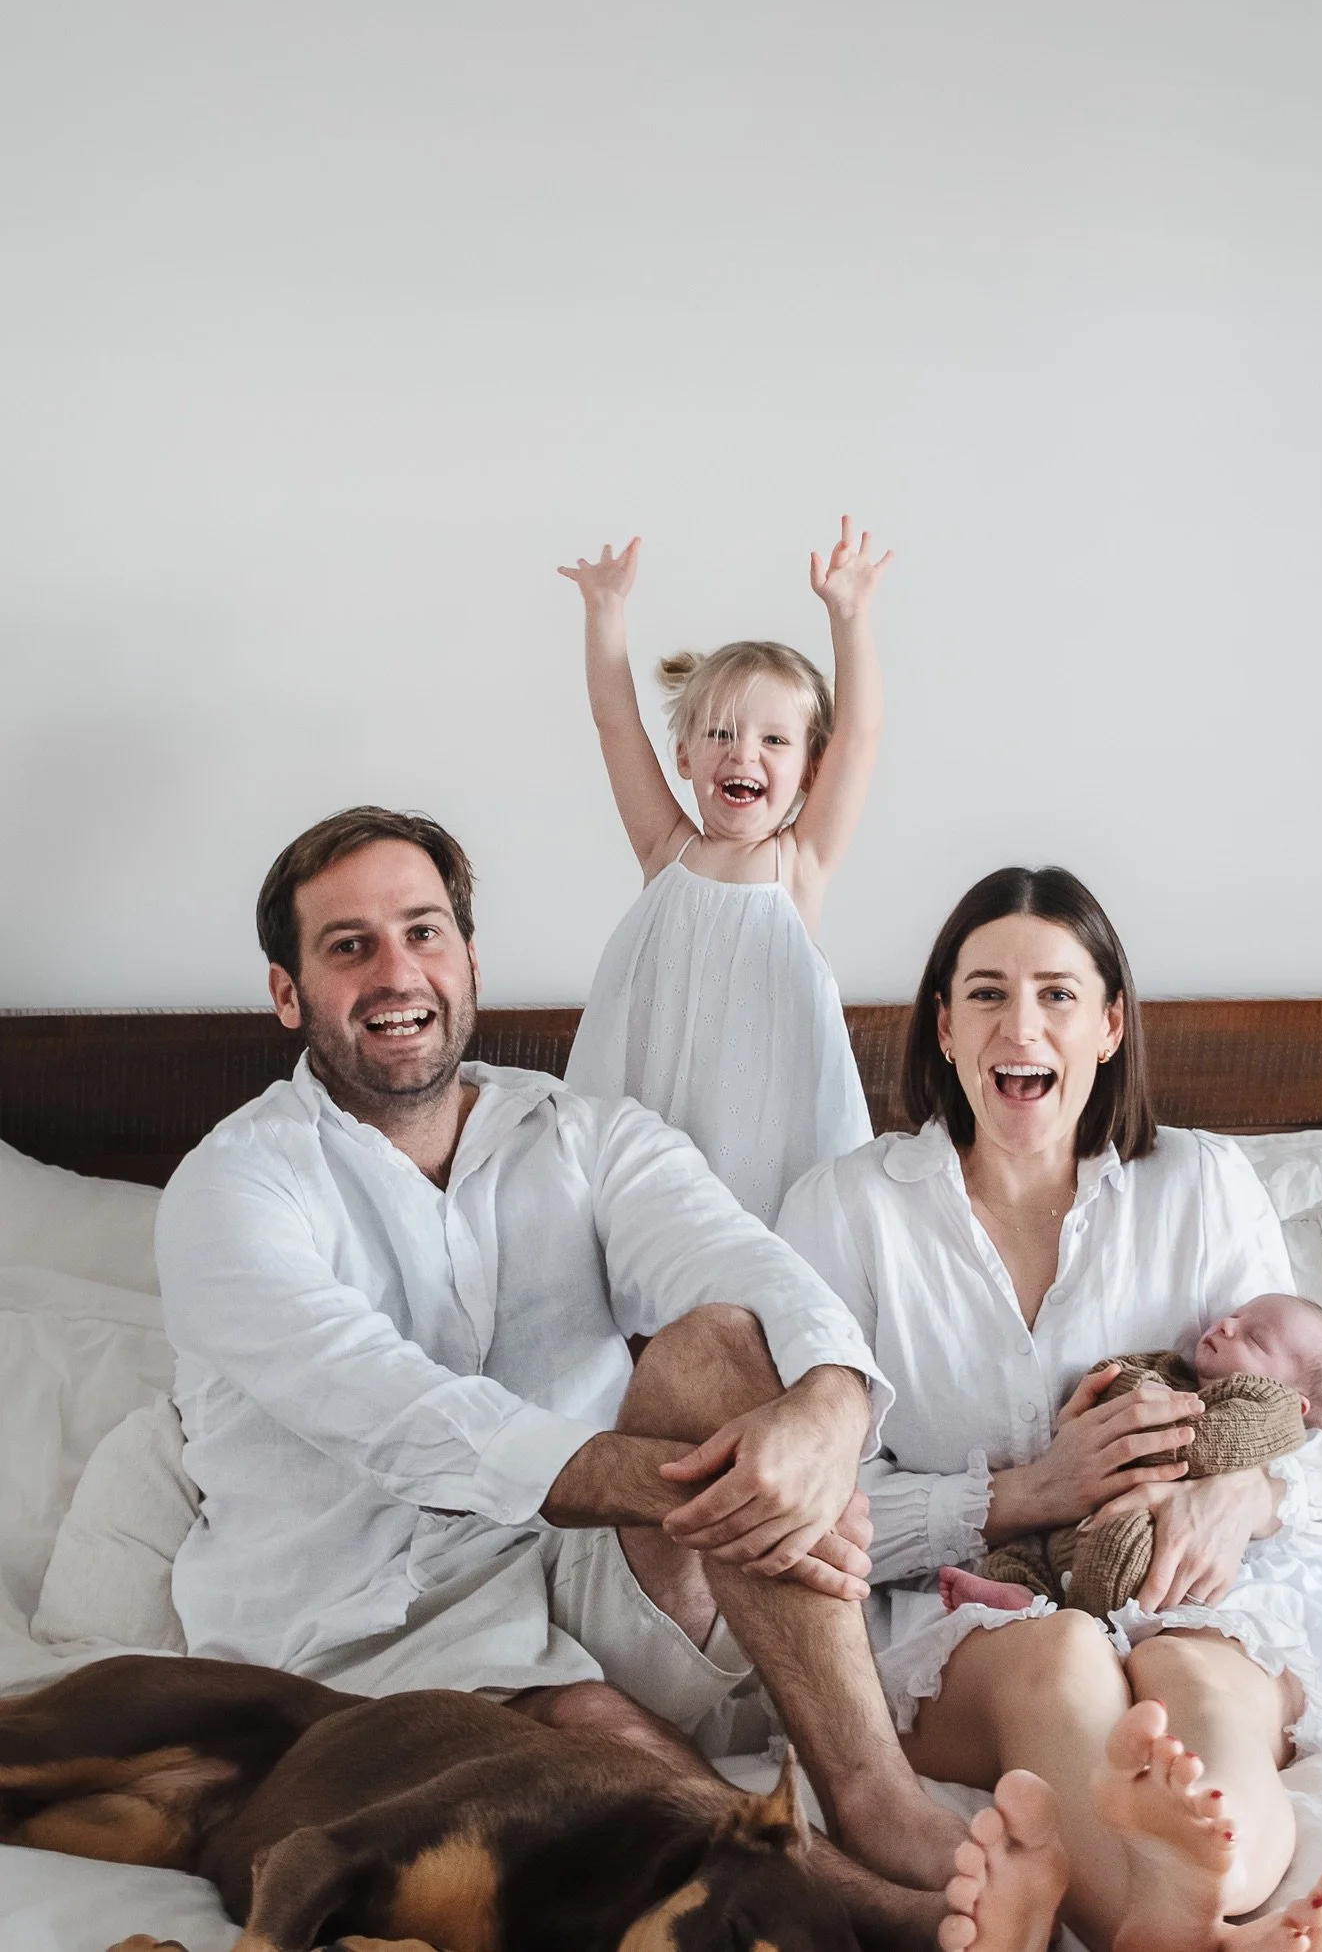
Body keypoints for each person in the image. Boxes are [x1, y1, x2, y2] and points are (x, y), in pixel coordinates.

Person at [155, 804, 1009, 1950]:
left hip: (585, 1578)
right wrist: (727, 1490)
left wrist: (828, 1412)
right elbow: (401, 1415)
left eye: (423, 932)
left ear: (467, 959)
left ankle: (875, 1796)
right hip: (361, 1633)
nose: (396, 971)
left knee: (718, 1345)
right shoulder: (232, 1191)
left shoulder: (583, 1134)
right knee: (602, 1739)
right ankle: (909, 1927)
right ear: (287, 992)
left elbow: (752, 1268)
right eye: (348, 946)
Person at [777, 866, 1322, 1952]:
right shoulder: (847, 1211)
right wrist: (1019, 1496)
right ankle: (1191, 1926)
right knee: (1063, 1657)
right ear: (943, 1024)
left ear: (1110, 1025)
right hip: (975, 1606)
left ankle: (1194, 1915)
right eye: (985, 993)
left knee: (1197, 1673)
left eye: (1059, 994)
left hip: (1193, 1575)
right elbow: (816, 1511)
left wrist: (1241, 1495)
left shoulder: (1200, 1186)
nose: (1021, 1024)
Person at [557, 519, 885, 1224]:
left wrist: (848, 614)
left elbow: (860, 736)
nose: (743, 755)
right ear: (684, 757)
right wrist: (604, 613)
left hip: (767, 1133)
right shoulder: (664, 848)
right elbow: (616, 723)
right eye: (720, 734)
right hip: (659, 1121)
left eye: (773, 740)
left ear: (809, 769)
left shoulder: (798, 863)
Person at [940, 1293, 1322, 1619]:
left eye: (1254, 1338)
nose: (1226, 1325)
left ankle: (1087, 1616)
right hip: (1071, 1523)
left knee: (1123, 1546)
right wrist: (1120, 1388)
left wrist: (1142, 1415)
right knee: (1021, 1551)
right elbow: (1116, 1375)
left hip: (1154, 1540)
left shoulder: (1266, 1415)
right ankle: (1020, 1597)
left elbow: (1200, 1442)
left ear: (1293, 1403)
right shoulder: (1175, 1372)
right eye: (1234, 1316)